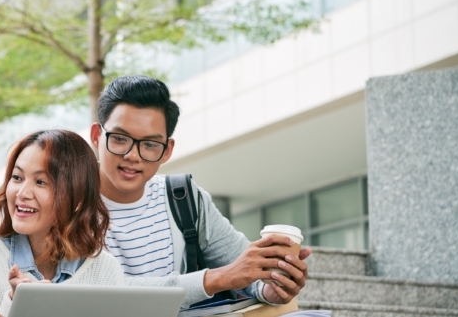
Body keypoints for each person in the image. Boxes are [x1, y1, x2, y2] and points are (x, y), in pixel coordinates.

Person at [89, 75, 311, 308]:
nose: (132, 155)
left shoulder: (182, 197)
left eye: (150, 144)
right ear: (96, 136)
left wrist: (272, 286)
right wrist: (216, 278)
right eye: (120, 139)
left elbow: (243, 267)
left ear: (167, 151)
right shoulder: (65, 201)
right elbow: (98, 290)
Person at [0, 130, 124, 315]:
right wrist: (17, 304)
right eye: (17, 178)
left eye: (41, 182)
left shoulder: (105, 269)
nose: (22, 193)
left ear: (79, 198)